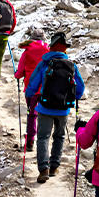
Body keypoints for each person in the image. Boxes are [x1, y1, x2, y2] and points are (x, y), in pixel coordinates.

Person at [25, 31, 85, 183]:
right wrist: (74, 97)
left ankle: (43, 169)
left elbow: (33, 83)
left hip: (45, 107)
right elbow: (80, 88)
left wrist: (30, 96)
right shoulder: (71, 66)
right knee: (59, 136)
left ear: (51, 47)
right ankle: (54, 167)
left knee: (43, 137)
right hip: (63, 108)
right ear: (64, 49)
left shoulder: (44, 63)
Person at [13, 26, 49, 151]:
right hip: (46, 88)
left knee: (32, 114)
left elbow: (20, 73)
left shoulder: (27, 51)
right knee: (45, 114)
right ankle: (43, 143)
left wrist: (16, 74)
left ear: (32, 39)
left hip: (31, 89)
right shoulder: (48, 50)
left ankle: (30, 142)